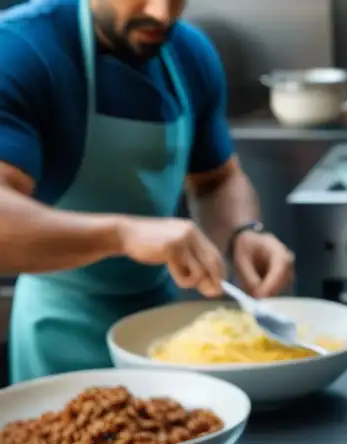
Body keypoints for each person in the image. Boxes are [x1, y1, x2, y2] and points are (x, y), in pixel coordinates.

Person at [0, 0, 296, 383]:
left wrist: (242, 232)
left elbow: (217, 179)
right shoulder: (20, 48)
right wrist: (123, 234)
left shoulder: (190, 53)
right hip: (59, 333)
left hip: (160, 329)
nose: (161, 13)